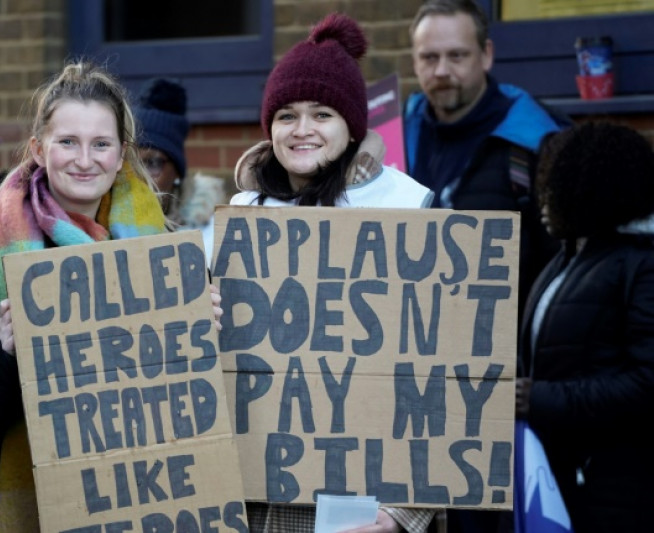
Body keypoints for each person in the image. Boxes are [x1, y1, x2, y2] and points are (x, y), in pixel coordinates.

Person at [0, 61, 223, 531]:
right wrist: (1, 350)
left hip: (143, 503)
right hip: (28, 507)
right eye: (68, 141)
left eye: (100, 144)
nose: (84, 160)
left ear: (121, 152)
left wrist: (202, 332)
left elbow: (200, 403)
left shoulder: (167, 252)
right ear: (38, 148)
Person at [204, 12, 437, 533]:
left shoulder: (407, 212)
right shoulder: (238, 221)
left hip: (358, 502)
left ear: (351, 125)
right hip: (250, 499)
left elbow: (442, 372)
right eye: (286, 114)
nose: (302, 130)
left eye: (322, 113)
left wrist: (403, 515)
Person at [515, 121, 654, 531]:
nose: (543, 203)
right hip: (565, 480)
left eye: (555, 189)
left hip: (618, 494)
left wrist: (538, 398)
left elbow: (648, 382)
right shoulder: (569, 258)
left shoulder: (642, 265)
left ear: (592, 189)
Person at [405, 0, 567, 316]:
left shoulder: (538, 139)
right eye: (429, 57)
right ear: (414, 61)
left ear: (486, 55)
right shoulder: (394, 137)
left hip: (508, 349)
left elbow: (563, 263)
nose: (441, 71)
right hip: (413, 342)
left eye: (457, 55)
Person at [134, 77, 191, 225]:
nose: (138, 176)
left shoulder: (207, 237)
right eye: (131, 161)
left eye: (152, 163)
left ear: (177, 172)